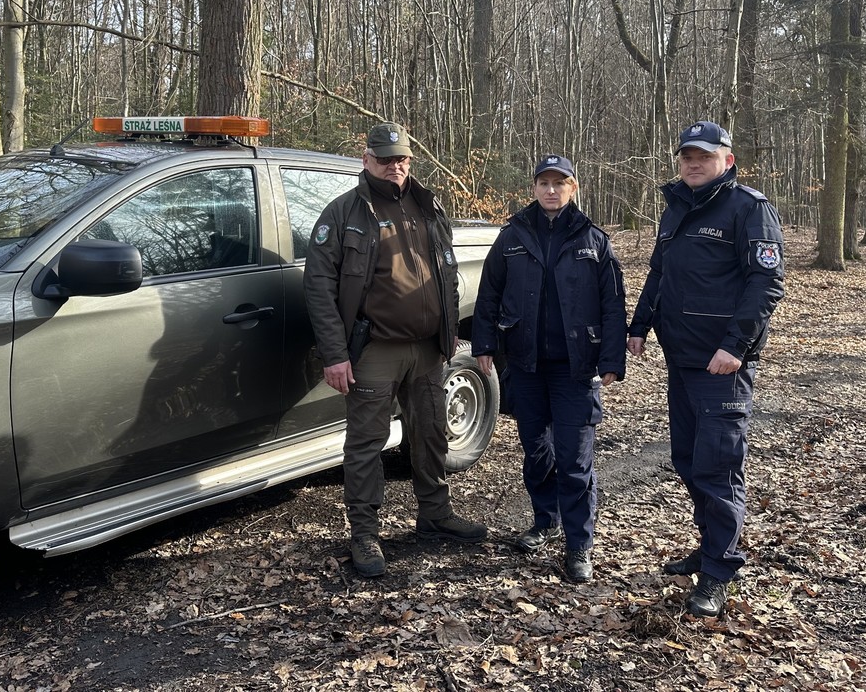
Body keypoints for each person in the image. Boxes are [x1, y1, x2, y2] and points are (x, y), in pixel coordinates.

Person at [304, 122, 488, 578]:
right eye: (385, 159)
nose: (394, 166)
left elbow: (447, 273)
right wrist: (335, 354)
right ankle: (365, 533)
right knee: (367, 443)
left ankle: (435, 514)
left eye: (401, 158)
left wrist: (449, 333)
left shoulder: (427, 205)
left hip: (426, 348)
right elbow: (319, 288)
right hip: (375, 348)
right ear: (366, 159)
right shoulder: (344, 212)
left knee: (431, 432)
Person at [626, 120, 784, 617]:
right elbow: (659, 272)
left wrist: (735, 345)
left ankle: (718, 570)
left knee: (718, 468)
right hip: (682, 359)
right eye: (687, 157)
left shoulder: (748, 208)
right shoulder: (676, 207)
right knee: (689, 461)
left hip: (722, 365)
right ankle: (709, 545)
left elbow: (767, 283)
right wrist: (640, 324)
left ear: (727, 161)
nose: (694, 164)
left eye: (705, 156)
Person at [472, 155, 627, 583]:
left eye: (560, 183)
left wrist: (612, 358)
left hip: (576, 368)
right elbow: (489, 294)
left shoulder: (593, 238)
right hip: (526, 364)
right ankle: (545, 521)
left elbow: (613, 303)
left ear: (573, 188)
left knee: (575, 459)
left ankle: (579, 544)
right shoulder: (512, 236)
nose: (551, 190)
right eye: (544, 182)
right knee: (537, 451)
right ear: (534, 188)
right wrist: (484, 344)